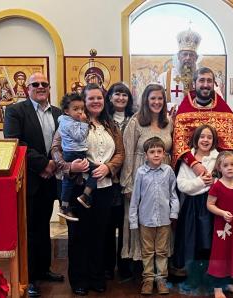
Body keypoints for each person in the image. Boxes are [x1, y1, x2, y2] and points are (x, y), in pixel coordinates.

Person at [51, 83, 125, 296]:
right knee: (78, 235)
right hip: (78, 186)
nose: (95, 102)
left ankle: (96, 276)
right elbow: (55, 149)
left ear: (104, 101)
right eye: (91, 98)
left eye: (99, 98)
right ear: (83, 101)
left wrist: (108, 167)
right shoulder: (71, 122)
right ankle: (79, 279)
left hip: (104, 187)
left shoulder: (110, 124)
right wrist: (69, 166)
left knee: (100, 234)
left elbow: (120, 153)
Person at [3, 72, 63, 297]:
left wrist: (54, 164)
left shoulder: (58, 113)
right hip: (28, 179)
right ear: (27, 88)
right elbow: (15, 142)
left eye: (44, 84)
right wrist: (43, 165)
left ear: (49, 87)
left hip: (50, 180)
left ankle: (44, 269)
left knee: (44, 225)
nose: (40, 87)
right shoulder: (15, 111)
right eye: (35, 84)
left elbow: (63, 141)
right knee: (28, 229)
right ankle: (29, 277)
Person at [120, 83, 173, 263]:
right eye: (153, 98)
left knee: (160, 215)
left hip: (163, 177)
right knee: (140, 216)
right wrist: (127, 182)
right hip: (139, 175)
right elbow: (127, 152)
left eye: (160, 98)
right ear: (145, 100)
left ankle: (161, 263)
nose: (157, 102)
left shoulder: (168, 122)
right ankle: (139, 262)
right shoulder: (136, 122)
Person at [129, 137, 179, 295]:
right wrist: (133, 220)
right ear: (146, 155)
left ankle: (161, 279)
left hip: (164, 220)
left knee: (162, 250)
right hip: (146, 220)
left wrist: (173, 213)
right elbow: (135, 197)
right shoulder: (141, 172)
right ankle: (148, 279)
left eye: (159, 151)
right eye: (152, 152)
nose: (156, 155)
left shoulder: (168, 171)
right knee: (148, 251)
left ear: (164, 153)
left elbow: (173, 195)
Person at [172, 67, 233, 174]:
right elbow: (179, 143)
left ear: (213, 84)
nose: (205, 85)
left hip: (219, 170)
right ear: (194, 84)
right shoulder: (184, 111)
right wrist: (194, 164)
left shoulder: (224, 111)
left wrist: (220, 166)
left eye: (209, 81)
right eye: (201, 80)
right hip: (189, 169)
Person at [174, 124, 219, 294]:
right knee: (191, 241)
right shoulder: (188, 159)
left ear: (214, 140)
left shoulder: (217, 158)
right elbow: (182, 185)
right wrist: (202, 183)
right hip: (192, 206)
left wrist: (210, 184)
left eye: (209, 137)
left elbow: (220, 182)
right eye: (202, 137)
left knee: (208, 242)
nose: (205, 140)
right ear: (196, 139)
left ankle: (208, 277)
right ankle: (192, 277)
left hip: (212, 205)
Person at [207, 151, 233, 298]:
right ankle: (217, 288)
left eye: (232, 165)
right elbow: (210, 205)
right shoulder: (217, 186)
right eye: (226, 165)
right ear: (219, 168)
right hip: (222, 227)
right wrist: (222, 213)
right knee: (221, 254)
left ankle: (229, 282)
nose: (229, 168)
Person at [103, 82, 135, 281]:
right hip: (109, 177)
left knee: (127, 224)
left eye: (124, 95)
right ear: (110, 97)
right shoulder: (103, 120)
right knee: (108, 223)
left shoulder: (135, 119)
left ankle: (125, 264)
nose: (121, 98)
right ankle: (107, 266)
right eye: (117, 94)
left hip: (130, 177)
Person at [56, 92, 97, 222]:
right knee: (92, 172)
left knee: (69, 180)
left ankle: (67, 205)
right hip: (74, 153)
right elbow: (79, 137)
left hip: (74, 152)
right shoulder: (70, 123)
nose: (80, 112)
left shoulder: (66, 120)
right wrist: (84, 123)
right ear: (66, 111)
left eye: (81, 109)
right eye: (76, 109)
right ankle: (82, 197)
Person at [158, 28, 201, 111]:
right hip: (170, 121)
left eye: (191, 55)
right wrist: (174, 108)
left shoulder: (201, 78)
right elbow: (156, 101)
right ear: (178, 56)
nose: (188, 58)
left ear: (196, 58)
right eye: (185, 54)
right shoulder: (164, 77)